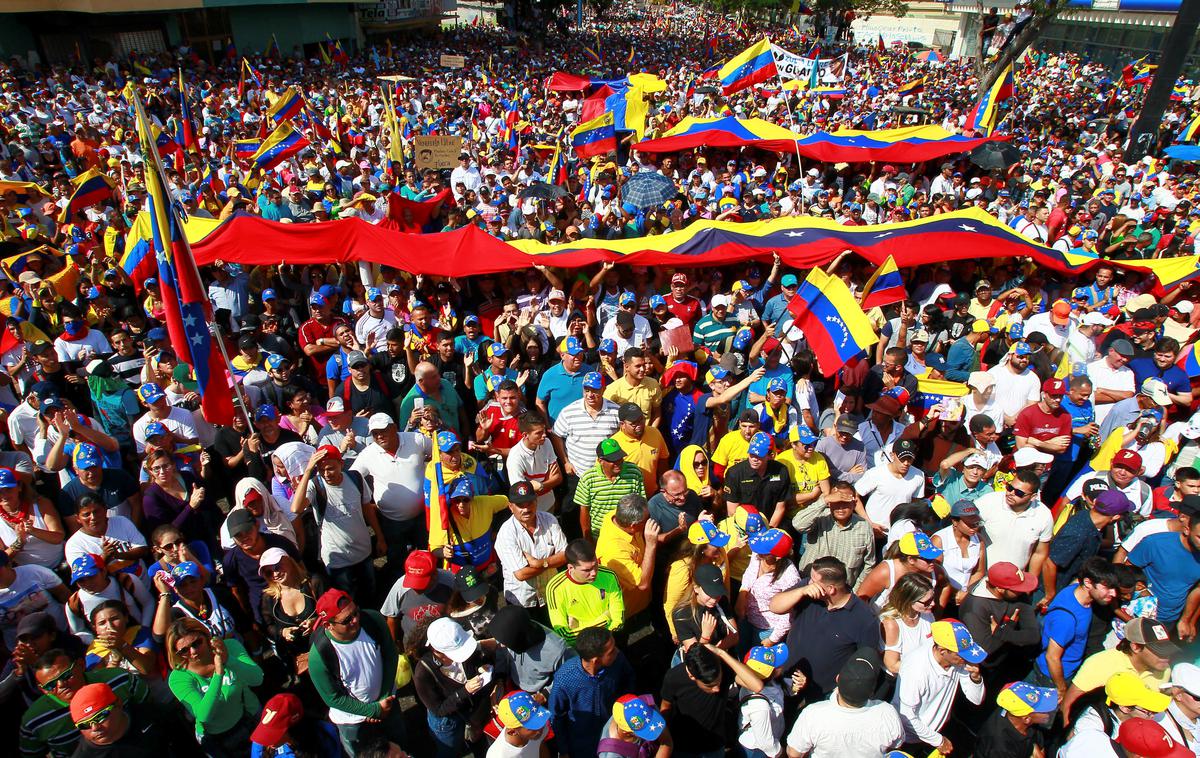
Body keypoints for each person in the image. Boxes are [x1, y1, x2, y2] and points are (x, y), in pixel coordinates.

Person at [307, 589, 404, 756]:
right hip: (354, 721)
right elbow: (332, 697)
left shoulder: (372, 620)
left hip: (387, 703)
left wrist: (384, 699)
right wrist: (372, 710)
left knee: (398, 748)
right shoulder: (320, 655)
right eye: (346, 620)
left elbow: (390, 654)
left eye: (356, 612)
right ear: (328, 625)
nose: (356, 620)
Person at [770, 556, 881, 702]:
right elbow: (774, 606)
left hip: (823, 694)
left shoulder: (864, 619)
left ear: (830, 589)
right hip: (788, 679)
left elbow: (864, 662)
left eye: (814, 581)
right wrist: (801, 591)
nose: (809, 583)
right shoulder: (807, 590)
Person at [165, 617, 264, 757]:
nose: (193, 652)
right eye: (184, 651)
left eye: (197, 643)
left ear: (206, 636)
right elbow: (204, 715)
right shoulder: (179, 678)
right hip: (217, 738)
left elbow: (257, 679)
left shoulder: (230, 647)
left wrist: (228, 660)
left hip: (248, 718)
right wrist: (218, 675)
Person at [784, 648, 904, 758]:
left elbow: (793, 753)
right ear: (872, 691)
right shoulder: (887, 712)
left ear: (837, 678)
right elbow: (896, 746)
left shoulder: (813, 714)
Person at [893, 620, 987, 754]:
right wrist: (939, 741)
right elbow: (906, 716)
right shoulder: (916, 670)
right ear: (943, 650)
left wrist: (976, 678)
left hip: (938, 730)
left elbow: (976, 699)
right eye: (961, 655)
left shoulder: (958, 661)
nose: (966, 659)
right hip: (909, 739)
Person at [660, 641, 765, 758]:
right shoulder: (673, 677)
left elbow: (757, 686)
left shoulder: (723, 669)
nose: (717, 689)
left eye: (718, 682)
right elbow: (666, 706)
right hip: (684, 746)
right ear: (691, 675)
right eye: (709, 686)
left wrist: (721, 653)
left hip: (714, 745)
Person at [412, 616, 498, 758]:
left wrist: (481, 669)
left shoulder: (466, 648)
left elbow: (475, 660)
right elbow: (439, 709)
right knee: (449, 752)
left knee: (478, 745)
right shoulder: (423, 672)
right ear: (436, 650)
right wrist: (465, 691)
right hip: (447, 723)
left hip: (471, 712)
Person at [1034, 557, 1120, 698]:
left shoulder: (1075, 588)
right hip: (1053, 678)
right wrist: (1061, 689)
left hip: (1068, 670)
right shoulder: (1066, 618)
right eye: (1107, 588)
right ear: (1088, 583)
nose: (1113, 593)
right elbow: (1052, 657)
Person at [549, 626, 635, 758]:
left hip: (614, 732)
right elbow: (556, 716)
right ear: (596, 661)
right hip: (582, 744)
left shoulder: (618, 661)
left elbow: (629, 680)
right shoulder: (564, 678)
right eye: (611, 652)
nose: (617, 651)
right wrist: (564, 750)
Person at [495, 480, 568, 617]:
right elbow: (521, 574)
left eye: (530, 503)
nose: (526, 509)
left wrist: (539, 563)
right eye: (520, 505)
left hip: (550, 594)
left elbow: (566, 555)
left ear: (536, 501)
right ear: (511, 507)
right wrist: (552, 561)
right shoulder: (506, 533)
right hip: (522, 601)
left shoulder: (550, 520)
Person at [545, 538, 624, 644]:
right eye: (587, 570)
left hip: (609, 641)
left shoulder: (609, 575)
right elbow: (564, 635)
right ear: (570, 568)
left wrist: (580, 627)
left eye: (595, 565)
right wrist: (606, 618)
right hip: (582, 648)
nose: (594, 573)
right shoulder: (554, 588)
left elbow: (618, 621)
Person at [595, 493, 661, 620]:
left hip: (642, 601)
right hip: (627, 611)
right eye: (647, 519)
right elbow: (642, 584)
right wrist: (651, 544)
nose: (650, 520)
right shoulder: (615, 551)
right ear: (633, 526)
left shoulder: (615, 516)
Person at [67, 680, 170, 757]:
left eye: (100, 716)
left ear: (118, 704)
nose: (95, 727)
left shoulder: (154, 715)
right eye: (84, 725)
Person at [575, 438, 646, 541]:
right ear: (600, 461)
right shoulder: (588, 478)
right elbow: (584, 511)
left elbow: (641, 505)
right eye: (613, 460)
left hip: (628, 535)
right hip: (600, 536)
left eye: (620, 458)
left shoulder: (634, 472)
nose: (618, 462)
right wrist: (588, 540)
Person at [975, 681, 1059, 758]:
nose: (1049, 711)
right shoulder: (1001, 747)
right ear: (1026, 719)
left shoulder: (1017, 715)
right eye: (1043, 710)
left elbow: (1038, 744)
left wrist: (1035, 747)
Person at [489, 689, 552, 758]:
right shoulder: (498, 755)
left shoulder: (539, 727)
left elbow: (541, 745)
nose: (540, 727)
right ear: (512, 732)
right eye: (532, 726)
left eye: (538, 719)